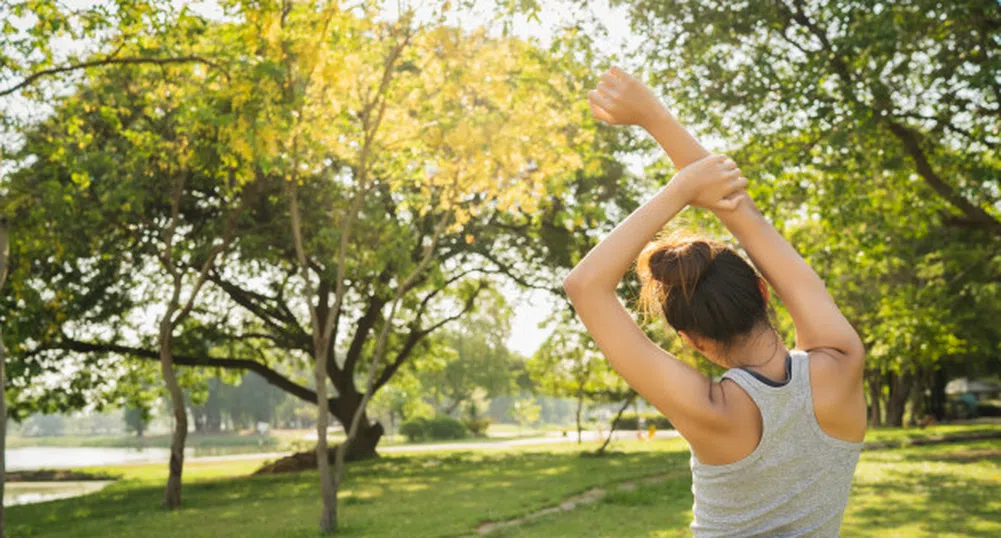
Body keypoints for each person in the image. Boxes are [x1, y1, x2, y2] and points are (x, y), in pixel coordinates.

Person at [563, 67, 867, 537]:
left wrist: (682, 189)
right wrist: (654, 116)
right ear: (763, 291)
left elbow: (586, 285)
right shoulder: (842, 363)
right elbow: (738, 211)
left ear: (690, 340)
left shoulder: (711, 410)